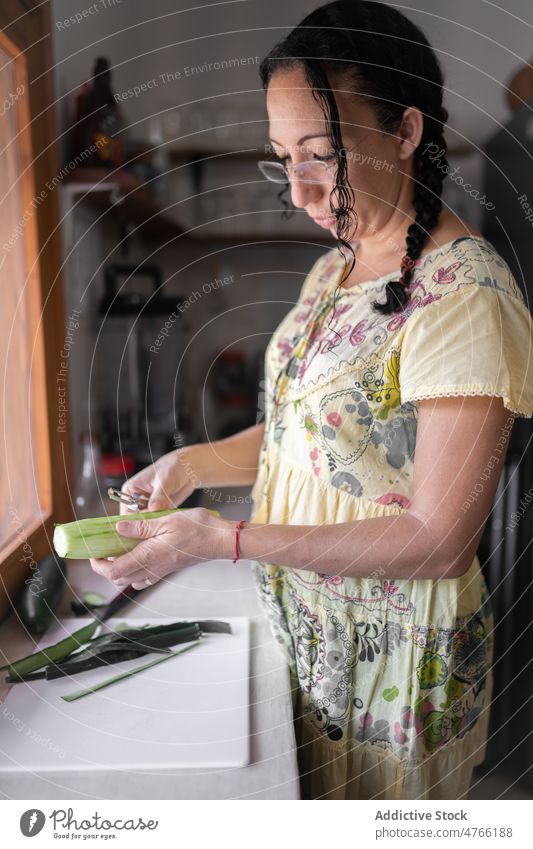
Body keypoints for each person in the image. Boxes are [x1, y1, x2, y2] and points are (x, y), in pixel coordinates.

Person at [90, 0, 533, 800]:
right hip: (304, 632)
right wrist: (194, 463)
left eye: (321, 155)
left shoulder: (465, 297)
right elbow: (308, 428)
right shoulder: (334, 269)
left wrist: (225, 539)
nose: (297, 192)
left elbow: (437, 541)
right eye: (280, 158)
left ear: (404, 131)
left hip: (389, 666)